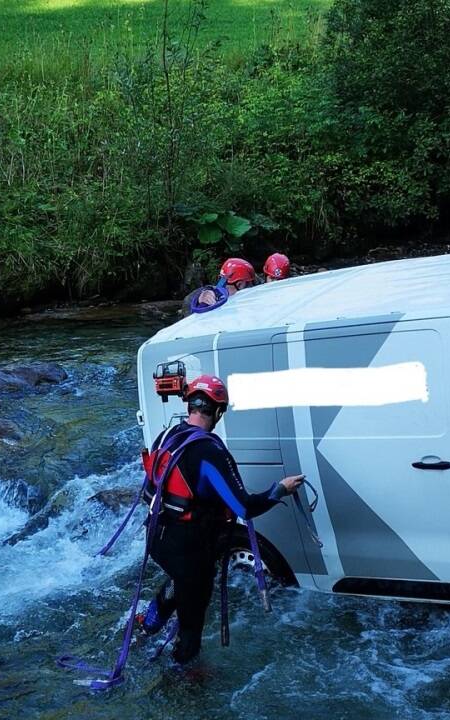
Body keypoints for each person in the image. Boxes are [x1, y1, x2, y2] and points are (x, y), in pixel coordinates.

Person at [138, 374, 303, 664]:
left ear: (191, 406)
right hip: (187, 548)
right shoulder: (210, 452)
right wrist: (280, 490)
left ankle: (150, 622)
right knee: (192, 624)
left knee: (183, 580)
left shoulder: (167, 436)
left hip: (156, 537)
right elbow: (245, 507)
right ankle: (185, 681)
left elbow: (152, 487)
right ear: (217, 411)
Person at [183, 258, 257, 314]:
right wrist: (201, 299)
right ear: (240, 284)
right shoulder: (207, 296)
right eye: (249, 284)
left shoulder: (217, 293)